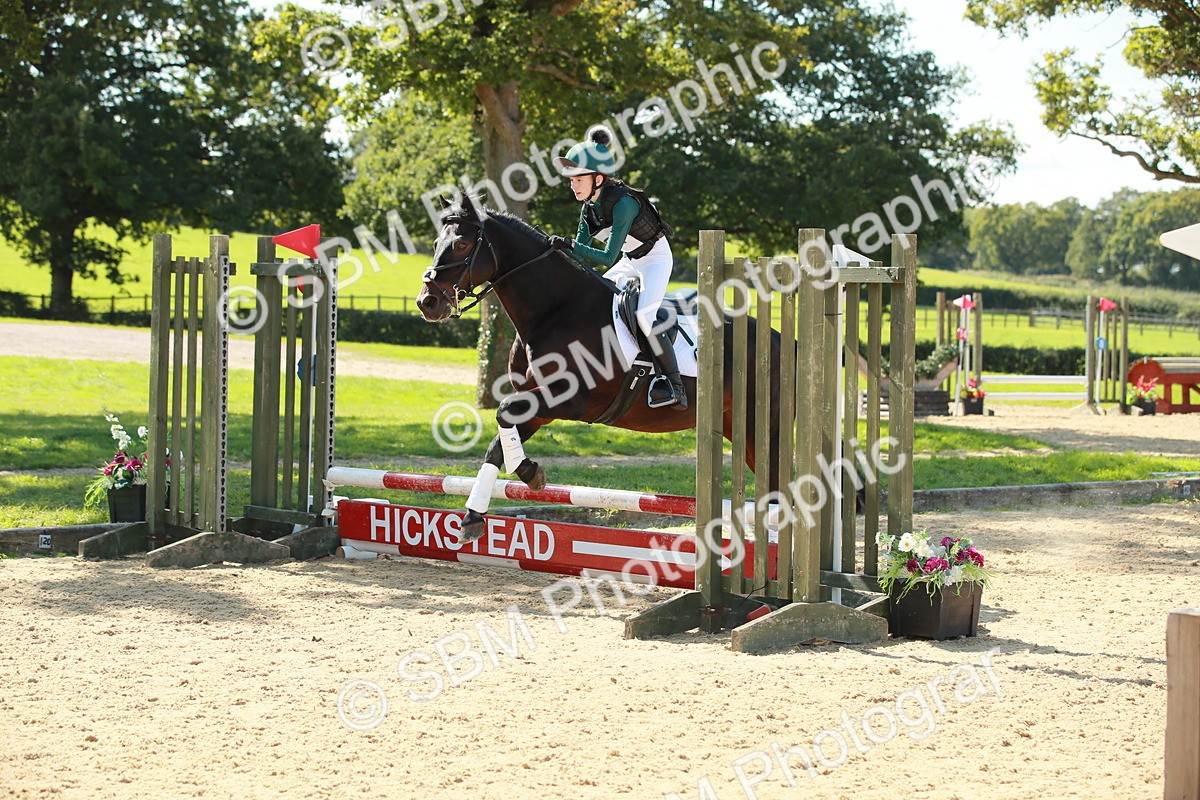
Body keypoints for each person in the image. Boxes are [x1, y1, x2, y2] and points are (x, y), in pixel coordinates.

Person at [550, 126, 686, 411]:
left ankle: (674, 385)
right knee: (596, 299)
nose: (573, 185)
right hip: (630, 260)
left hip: (655, 259)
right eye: (571, 180)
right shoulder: (589, 208)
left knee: (645, 316)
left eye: (578, 179)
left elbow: (606, 257)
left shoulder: (624, 204)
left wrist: (570, 245)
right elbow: (580, 254)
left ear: (598, 179)